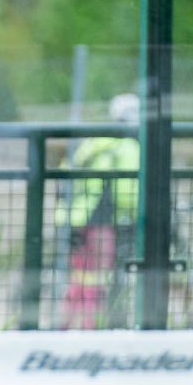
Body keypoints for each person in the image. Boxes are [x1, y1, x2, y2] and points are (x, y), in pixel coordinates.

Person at [56, 94, 140, 329]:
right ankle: (91, 328)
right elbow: (128, 192)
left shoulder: (93, 142)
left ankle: (63, 326)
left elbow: (67, 172)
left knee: (78, 275)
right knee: (98, 276)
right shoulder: (128, 146)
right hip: (100, 220)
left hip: (70, 218)